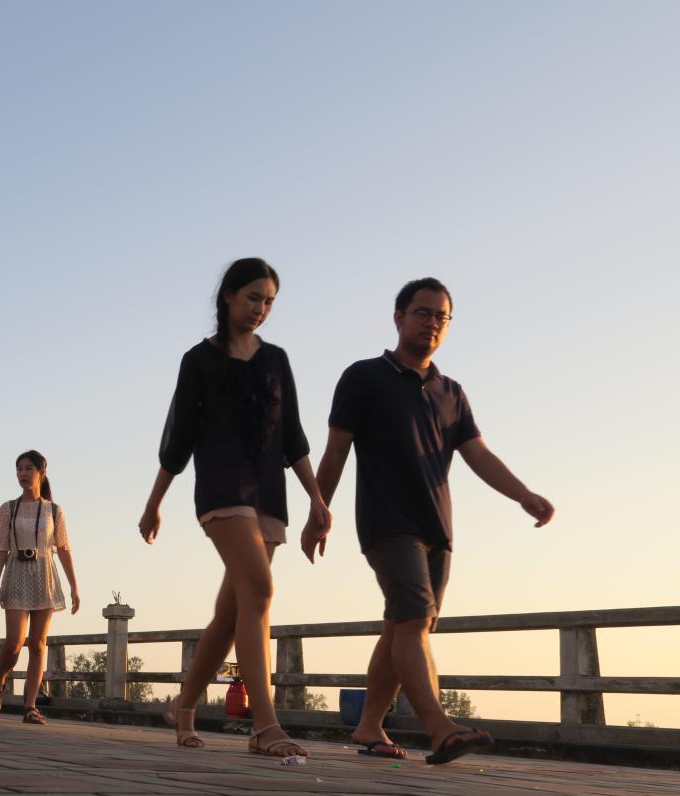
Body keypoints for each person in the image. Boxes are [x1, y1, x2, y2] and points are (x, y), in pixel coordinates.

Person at [305, 277, 553, 765]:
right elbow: (336, 449)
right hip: (386, 521)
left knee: (403, 626)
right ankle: (439, 729)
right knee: (414, 619)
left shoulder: (451, 392)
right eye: (423, 312)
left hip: (437, 527)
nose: (432, 323)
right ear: (398, 317)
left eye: (441, 316)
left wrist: (523, 494)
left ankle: (369, 726)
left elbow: (478, 454)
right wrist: (320, 509)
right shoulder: (363, 376)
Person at [139, 258, 329, 757]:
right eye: (252, 298)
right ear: (227, 295)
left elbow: (294, 438)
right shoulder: (198, 360)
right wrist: (154, 504)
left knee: (231, 614)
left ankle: (182, 705)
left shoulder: (277, 360)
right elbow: (177, 440)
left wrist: (317, 498)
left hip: (269, 493)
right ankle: (264, 726)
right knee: (261, 590)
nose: (260, 310)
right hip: (222, 492)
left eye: (268, 302)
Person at [0, 450, 80, 724]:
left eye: (28, 468)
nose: (23, 474)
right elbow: (1, 547)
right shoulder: (8, 508)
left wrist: (75, 586)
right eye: (19, 469)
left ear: (41, 472)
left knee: (38, 644)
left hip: (44, 573)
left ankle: (30, 706)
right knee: (14, 642)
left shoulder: (54, 510)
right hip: (16, 572)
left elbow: (63, 548)